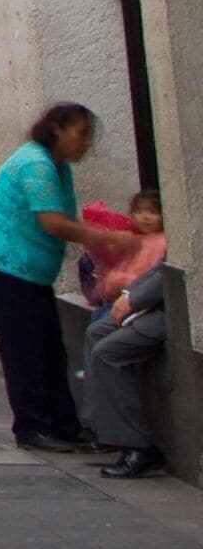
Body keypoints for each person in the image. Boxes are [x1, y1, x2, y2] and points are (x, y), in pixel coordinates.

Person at [0, 102, 113, 453]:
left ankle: (64, 424)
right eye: (82, 134)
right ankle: (32, 426)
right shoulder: (36, 164)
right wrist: (111, 237)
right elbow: (53, 222)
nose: (86, 143)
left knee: (49, 345)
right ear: (57, 130)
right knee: (25, 347)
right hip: (7, 265)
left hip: (30, 270)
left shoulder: (56, 165)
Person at [83, 187, 170, 480]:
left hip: (164, 310)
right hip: (140, 303)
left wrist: (133, 298)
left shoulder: (165, 239)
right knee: (97, 331)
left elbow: (166, 274)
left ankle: (137, 445)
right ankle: (102, 427)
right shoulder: (141, 240)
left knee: (107, 353)